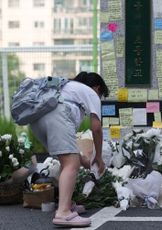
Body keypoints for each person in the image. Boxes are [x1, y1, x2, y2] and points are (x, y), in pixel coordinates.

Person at [30, 71, 108, 227]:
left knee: (67, 162)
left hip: (37, 119)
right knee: (72, 164)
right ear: (97, 88)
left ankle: (66, 204)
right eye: (101, 95)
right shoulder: (90, 93)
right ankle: (63, 212)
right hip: (57, 115)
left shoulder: (66, 87)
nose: (99, 99)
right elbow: (96, 128)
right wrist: (98, 156)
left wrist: (83, 159)